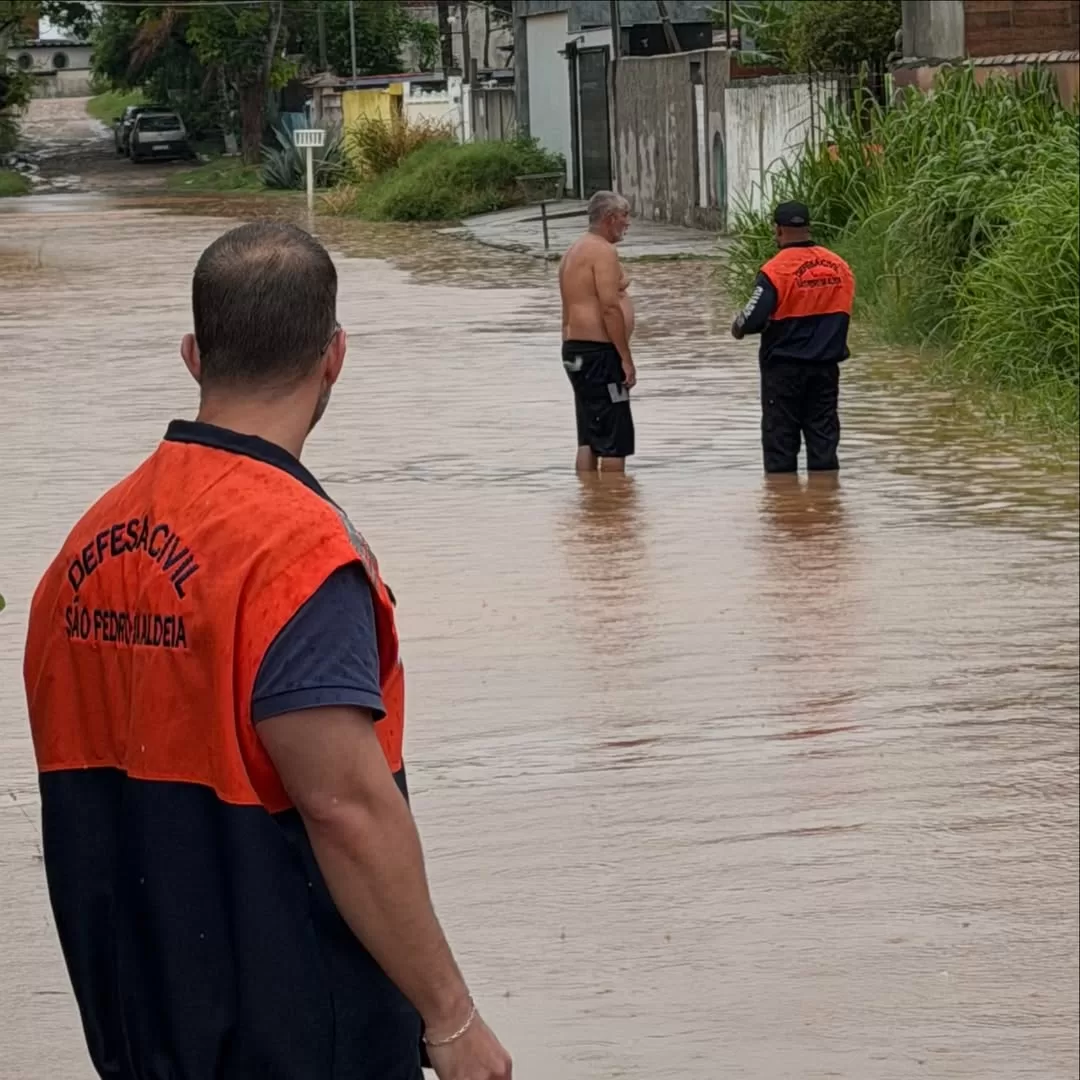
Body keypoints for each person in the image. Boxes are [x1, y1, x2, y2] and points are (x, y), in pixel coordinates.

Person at [23, 222, 511, 1080]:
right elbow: (344, 805)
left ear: (192, 354)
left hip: (140, 1028)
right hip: (291, 1033)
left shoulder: (83, 549)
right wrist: (452, 1016)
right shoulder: (294, 553)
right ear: (335, 358)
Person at [731, 201, 855, 474]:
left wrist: (737, 328)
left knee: (781, 445)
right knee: (824, 442)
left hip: (784, 371)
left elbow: (750, 319)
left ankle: (784, 507)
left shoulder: (775, 270)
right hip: (825, 369)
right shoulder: (840, 266)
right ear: (808, 227)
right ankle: (825, 504)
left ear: (777, 230)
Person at [558, 190, 637, 472]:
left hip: (574, 352)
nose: (628, 223)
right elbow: (609, 308)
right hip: (599, 354)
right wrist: (625, 358)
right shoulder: (603, 251)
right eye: (625, 216)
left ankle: (591, 503)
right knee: (615, 436)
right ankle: (615, 510)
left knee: (589, 436)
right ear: (609, 218)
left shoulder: (573, 251)